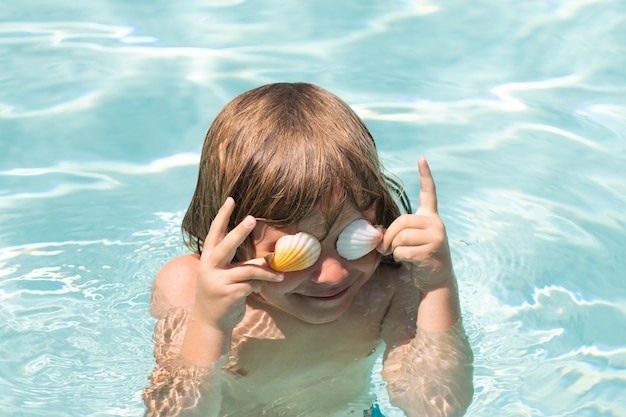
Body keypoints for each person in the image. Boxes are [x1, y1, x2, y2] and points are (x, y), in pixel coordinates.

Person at [143, 82, 474, 417]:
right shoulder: (189, 288)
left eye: (354, 239)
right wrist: (210, 326)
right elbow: (170, 411)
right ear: (229, 235)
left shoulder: (386, 287)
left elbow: (436, 406)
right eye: (296, 252)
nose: (333, 274)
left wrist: (438, 285)